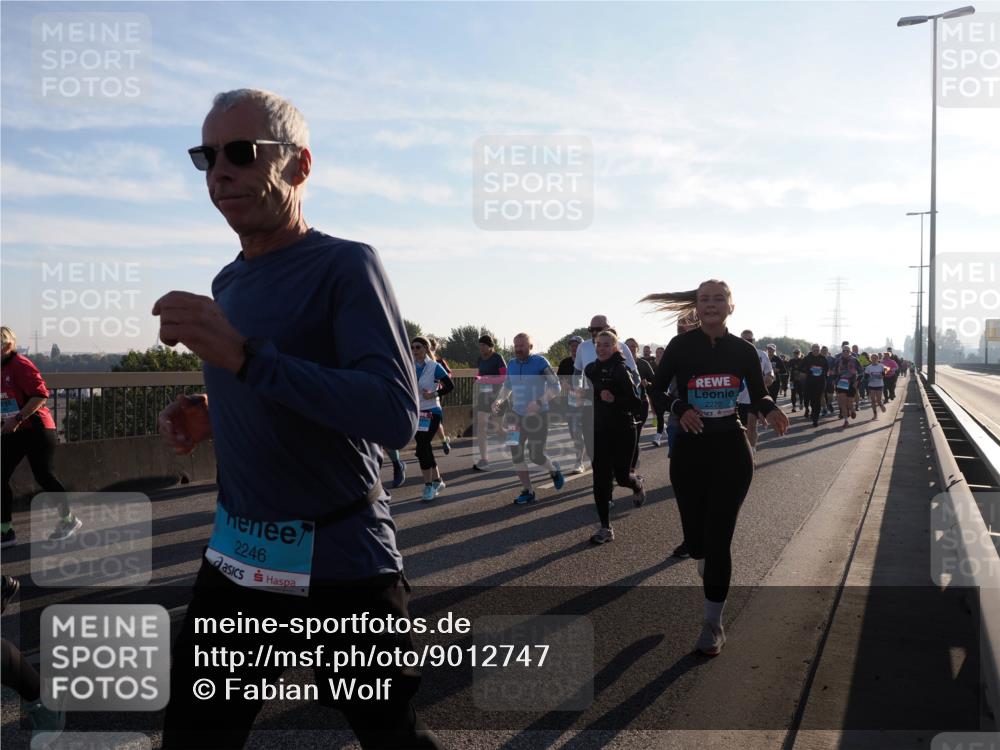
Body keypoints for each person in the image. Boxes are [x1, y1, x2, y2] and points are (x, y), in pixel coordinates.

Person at [155, 88, 442, 749]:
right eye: (207, 156)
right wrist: (211, 412)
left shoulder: (346, 265)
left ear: (298, 166)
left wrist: (248, 361)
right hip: (241, 557)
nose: (220, 171)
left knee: (389, 734)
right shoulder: (229, 283)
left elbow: (393, 412)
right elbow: (266, 385)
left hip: (342, 555)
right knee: (196, 736)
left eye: (241, 152)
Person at [644, 280, 788, 656]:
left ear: (730, 306)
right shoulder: (680, 346)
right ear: (696, 306)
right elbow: (657, 392)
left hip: (731, 449)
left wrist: (770, 409)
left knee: (719, 539)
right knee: (697, 544)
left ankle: (713, 625)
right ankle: (703, 557)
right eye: (704, 299)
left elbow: (758, 393)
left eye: (718, 299)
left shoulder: (743, 350)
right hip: (691, 451)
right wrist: (679, 409)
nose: (711, 305)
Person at [1, 326, 82, 548]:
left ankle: (69, 520)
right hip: (13, 430)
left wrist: (16, 419)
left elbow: (40, 394)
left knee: (43, 475)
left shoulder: (20, 364)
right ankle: (5, 531)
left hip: (36, 428)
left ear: (8, 345)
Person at [585, 331, 646, 544]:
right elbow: (588, 394)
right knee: (600, 479)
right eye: (598, 344)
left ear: (615, 347)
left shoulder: (621, 369)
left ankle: (636, 484)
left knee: (621, 478)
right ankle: (605, 527)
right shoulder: (590, 369)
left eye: (606, 345)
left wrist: (614, 399)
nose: (601, 348)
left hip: (622, 430)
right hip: (598, 430)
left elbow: (635, 403)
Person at [492, 333, 564, 505]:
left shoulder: (541, 363)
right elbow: (507, 386)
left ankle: (553, 470)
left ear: (530, 347)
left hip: (538, 415)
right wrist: (499, 399)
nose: (518, 349)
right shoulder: (511, 364)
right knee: (515, 452)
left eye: (522, 345)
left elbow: (556, 386)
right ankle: (528, 490)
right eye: (516, 345)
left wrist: (539, 401)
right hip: (515, 416)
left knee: (536, 455)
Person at [573, 315, 639, 466]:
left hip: (618, 411)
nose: (594, 332)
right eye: (591, 329)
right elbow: (577, 374)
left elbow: (635, 376)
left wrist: (621, 395)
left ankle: (629, 475)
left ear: (608, 329)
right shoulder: (583, 347)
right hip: (592, 409)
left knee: (620, 464)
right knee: (596, 457)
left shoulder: (621, 346)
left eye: (598, 329)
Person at [411, 337, 454, 501]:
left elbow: (450, 386)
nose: (415, 351)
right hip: (417, 412)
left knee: (422, 445)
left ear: (426, 349)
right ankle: (438, 481)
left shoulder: (434, 366)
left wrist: (434, 394)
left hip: (432, 411)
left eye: (418, 347)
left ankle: (429, 486)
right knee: (424, 446)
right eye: (413, 348)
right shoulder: (410, 367)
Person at [736, 330, 773, 454]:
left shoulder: (761, 354)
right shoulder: (733, 354)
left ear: (754, 341)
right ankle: (744, 449)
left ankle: (751, 451)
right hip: (737, 399)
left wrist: (769, 378)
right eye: (745, 340)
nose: (747, 342)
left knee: (752, 425)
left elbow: (770, 372)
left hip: (754, 398)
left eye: (750, 340)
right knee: (742, 428)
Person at [473, 335, 507, 472]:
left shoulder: (498, 358)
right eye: (479, 345)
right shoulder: (480, 359)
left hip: (498, 396)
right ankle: (484, 459)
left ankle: (514, 438)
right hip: (484, 397)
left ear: (490, 346)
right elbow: (481, 373)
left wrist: (487, 379)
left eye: (483, 345)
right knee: (482, 425)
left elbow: (504, 377)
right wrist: (478, 378)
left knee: (498, 429)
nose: (481, 348)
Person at [557, 336, 586, 474]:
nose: (574, 349)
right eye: (572, 346)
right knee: (575, 433)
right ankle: (579, 461)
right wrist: (565, 386)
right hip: (571, 404)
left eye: (577, 346)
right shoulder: (565, 363)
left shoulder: (589, 361)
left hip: (589, 403)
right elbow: (559, 382)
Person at [625, 337, 655, 466]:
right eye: (627, 346)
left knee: (635, 437)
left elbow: (656, 382)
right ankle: (624, 465)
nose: (630, 349)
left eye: (633, 346)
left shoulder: (643, 364)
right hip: (624, 405)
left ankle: (631, 467)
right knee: (624, 437)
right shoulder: (620, 363)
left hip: (641, 403)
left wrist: (646, 383)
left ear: (637, 348)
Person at [427, 338, 452, 455]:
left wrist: (439, 381)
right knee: (427, 421)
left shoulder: (439, 362)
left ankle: (442, 441)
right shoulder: (417, 362)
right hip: (421, 397)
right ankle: (440, 441)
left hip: (436, 395)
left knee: (435, 421)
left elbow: (449, 375)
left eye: (431, 347)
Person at [832, 344, 861, 428]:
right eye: (844, 351)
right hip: (841, 383)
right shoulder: (838, 360)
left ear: (850, 352)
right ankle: (846, 420)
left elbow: (861, 372)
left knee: (849, 403)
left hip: (851, 383)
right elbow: (834, 372)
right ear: (842, 351)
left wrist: (857, 382)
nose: (845, 352)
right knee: (842, 403)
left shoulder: (855, 360)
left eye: (847, 351)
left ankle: (852, 410)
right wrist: (833, 380)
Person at [801, 344, 828, 428]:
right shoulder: (807, 358)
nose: (816, 350)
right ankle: (812, 411)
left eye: (817, 349)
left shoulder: (823, 358)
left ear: (819, 350)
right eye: (814, 349)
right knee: (811, 400)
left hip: (820, 382)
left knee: (817, 400)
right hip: (809, 382)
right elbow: (801, 368)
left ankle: (815, 419)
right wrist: (807, 371)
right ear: (811, 349)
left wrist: (820, 371)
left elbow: (827, 369)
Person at [865, 353, 888, 419]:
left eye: (875, 358)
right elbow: (866, 377)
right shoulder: (868, 367)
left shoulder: (881, 366)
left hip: (879, 385)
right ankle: (875, 414)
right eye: (872, 358)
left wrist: (882, 376)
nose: (874, 359)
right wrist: (869, 377)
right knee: (872, 400)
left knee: (878, 400)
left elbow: (885, 372)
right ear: (870, 359)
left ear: (878, 359)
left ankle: (881, 405)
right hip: (871, 385)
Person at [787, 349, 805, 414]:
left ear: (800, 353)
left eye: (797, 353)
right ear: (793, 354)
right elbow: (788, 367)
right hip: (792, 379)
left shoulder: (802, 360)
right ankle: (794, 407)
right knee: (793, 393)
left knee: (800, 392)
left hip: (800, 380)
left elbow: (805, 369)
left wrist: (799, 371)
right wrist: (791, 369)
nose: (796, 354)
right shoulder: (791, 361)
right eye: (795, 353)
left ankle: (801, 403)